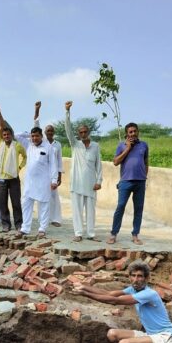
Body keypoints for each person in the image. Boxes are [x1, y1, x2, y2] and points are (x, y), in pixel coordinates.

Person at [65, 101, 103, 242]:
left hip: (91, 184)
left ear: (89, 132)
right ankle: (78, 233)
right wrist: (68, 112)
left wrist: (99, 181)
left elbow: (99, 165)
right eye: (80, 132)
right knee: (77, 211)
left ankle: (91, 234)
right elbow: (68, 130)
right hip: (77, 184)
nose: (82, 134)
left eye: (85, 132)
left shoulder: (95, 146)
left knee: (91, 211)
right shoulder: (75, 145)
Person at [108, 122, 149, 245]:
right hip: (126, 181)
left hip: (140, 182)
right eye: (130, 132)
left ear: (138, 132)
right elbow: (115, 162)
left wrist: (145, 177)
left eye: (135, 131)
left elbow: (146, 162)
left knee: (138, 209)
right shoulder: (121, 146)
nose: (133, 133)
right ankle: (113, 234)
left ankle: (135, 234)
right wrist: (128, 148)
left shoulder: (144, 145)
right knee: (120, 206)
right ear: (127, 134)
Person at [16, 127, 58, 238]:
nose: (34, 138)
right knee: (26, 204)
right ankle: (25, 228)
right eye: (32, 136)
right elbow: (16, 135)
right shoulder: (28, 144)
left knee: (44, 204)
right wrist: (28, 135)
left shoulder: (49, 148)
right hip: (29, 182)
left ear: (41, 136)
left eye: (36, 136)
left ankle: (42, 229)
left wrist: (54, 180)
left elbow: (53, 165)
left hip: (44, 181)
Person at [0, 104, 26, 232]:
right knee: (2, 203)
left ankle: (18, 224)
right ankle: (6, 224)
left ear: (11, 135)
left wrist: (19, 167)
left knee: (16, 203)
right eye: (4, 135)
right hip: (1, 179)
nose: (6, 136)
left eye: (8, 134)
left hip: (14, 178)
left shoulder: (17, 145)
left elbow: (25, 157)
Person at [33, 101, 64, 227]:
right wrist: (37, 110)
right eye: (48, 131)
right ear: (45, 133)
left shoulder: (57, 144)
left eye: (51, 131)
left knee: (54, 197)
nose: (50, 133)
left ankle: (55, 219)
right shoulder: (42, 142)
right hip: (42, 173)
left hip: (53, 174)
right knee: (42, 197)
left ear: (54, 132)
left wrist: (59, 176)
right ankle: (43, 219)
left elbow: (60, 160)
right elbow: (36, 123)